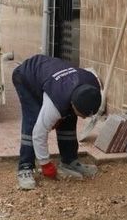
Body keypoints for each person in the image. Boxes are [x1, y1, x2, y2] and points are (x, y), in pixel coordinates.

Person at [12, 54, 102, 190]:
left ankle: (69, 161)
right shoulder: (56, 101)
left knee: (69, 118)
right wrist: (46, 164)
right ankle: (25, 168)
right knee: (33, 120)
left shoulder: (92, 83)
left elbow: (73, 110)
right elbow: (39, 133)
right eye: (82, 114)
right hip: (27, 76)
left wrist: (63, 117)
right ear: (72, 102)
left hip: (54, 78)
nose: (84, 118)